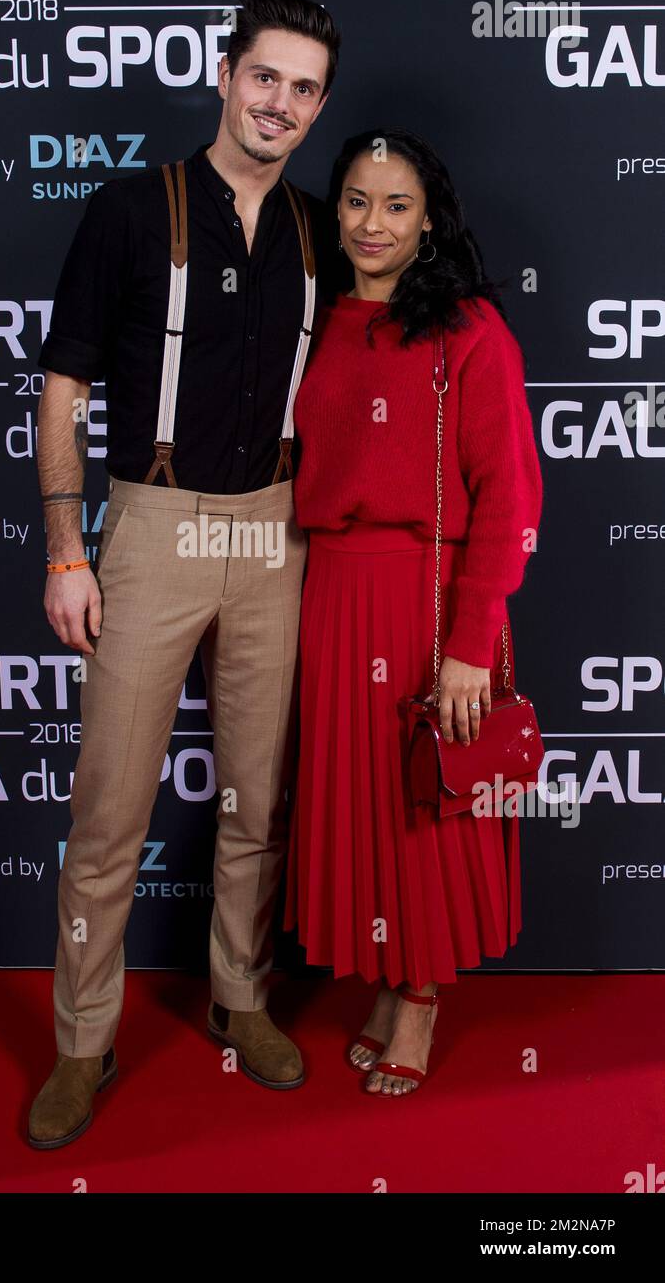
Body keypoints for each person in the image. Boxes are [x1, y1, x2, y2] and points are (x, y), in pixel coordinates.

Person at [27, 0, 340, 1148]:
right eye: (267, 77)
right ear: (226, 74)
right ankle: (82, 1041)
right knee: (110, 809)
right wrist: (68, 549)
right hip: (153, 527)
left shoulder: (318, 227)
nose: (283, 104)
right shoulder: (127, 210)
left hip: (276, 530)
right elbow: (60, 391)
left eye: (306, 89)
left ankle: (240, 996)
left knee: (258, 801)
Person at [283, 127, 543, 1097]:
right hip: (335, 596)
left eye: (396, 205)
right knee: (365, 801)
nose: (373, 223)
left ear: (428, 217)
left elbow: (510, 500)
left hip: (429, 604)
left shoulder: (469, 330)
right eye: (356, 201)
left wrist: (472, 645)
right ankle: (395, 978)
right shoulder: (319, 320)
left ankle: (424, 994)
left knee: (424, 803)